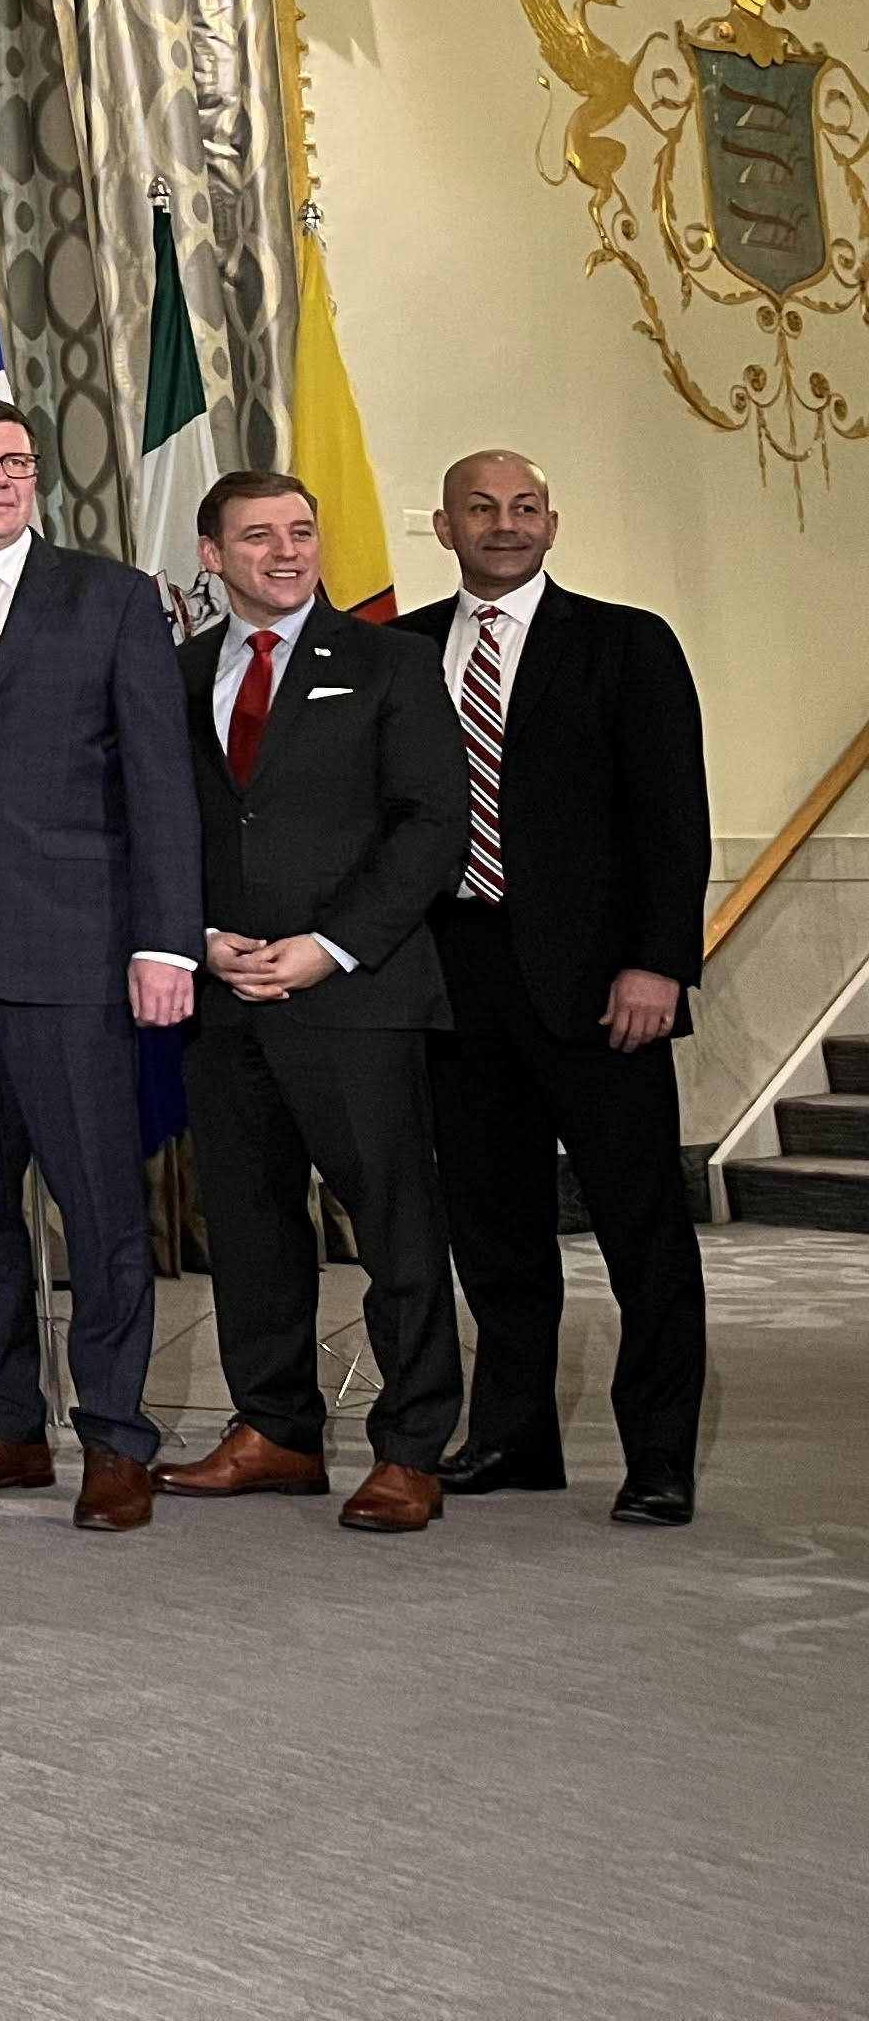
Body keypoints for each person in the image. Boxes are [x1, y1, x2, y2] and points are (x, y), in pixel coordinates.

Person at [0, 398, 203, 1534]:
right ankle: (8, 1424)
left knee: (98, 1209)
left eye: (16, 463)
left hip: (78, 953)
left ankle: (117, 1436)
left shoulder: (112, 597)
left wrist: (165, 939)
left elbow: (160, 785)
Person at [164, 471, 470, 1534]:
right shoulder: (181, 671)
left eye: (302, 530)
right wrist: (202, 938)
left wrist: (328, 948)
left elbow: (432, 825)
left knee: (393, 1224)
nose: (287, 552)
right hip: (224, 998)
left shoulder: (391, 662)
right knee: (248, 1227)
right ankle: (277, 1432)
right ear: (213, 555)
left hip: (356, 996)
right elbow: (170, 827)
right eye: (259, 536)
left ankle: (413, 1447)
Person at [411, 449, 711, 1526]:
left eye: (525, 507)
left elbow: (674, 817)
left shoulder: (626, 644)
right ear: (443, 528)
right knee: (493, 1231)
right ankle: (513, 1437)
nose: (505, 524)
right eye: (482, 509)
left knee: (643, 1232)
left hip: (601, 985)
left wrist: (660, 962)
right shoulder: (401, 651)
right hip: (455, 982)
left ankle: (661, 1456)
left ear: (552, 524)